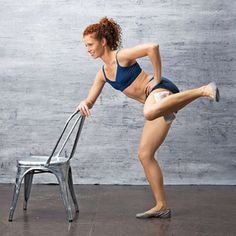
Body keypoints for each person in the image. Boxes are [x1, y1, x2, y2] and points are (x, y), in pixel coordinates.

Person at [76, 17, 220, 219]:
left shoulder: (122, 57)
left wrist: (157, 79)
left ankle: (203, 90)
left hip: (161, 91)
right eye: (85, 46)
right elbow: (90, 100)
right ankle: (162, 206)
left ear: (103, 42)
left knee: (148, 112)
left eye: (90, 44)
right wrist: (85, 103)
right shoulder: (102, 74)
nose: (88, 49)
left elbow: (152, 47)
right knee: (145, 154)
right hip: (157, 104)